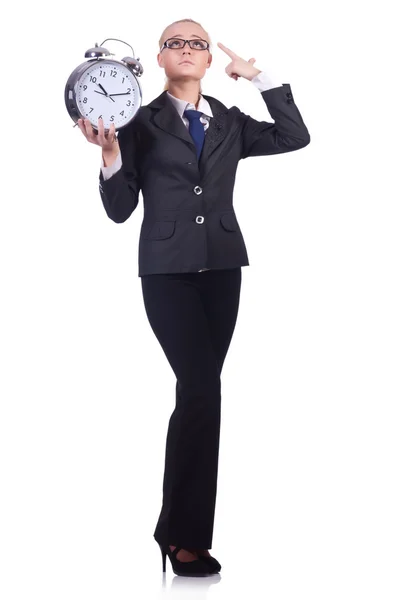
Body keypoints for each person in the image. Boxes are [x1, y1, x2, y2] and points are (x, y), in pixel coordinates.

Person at [77, 18, 310, 577]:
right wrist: (108, 154)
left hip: (223, 270)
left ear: (209, 61)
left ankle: (175, 531)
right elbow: (118, 209)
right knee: (204, 390)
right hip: (167, 274)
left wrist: (261, 78)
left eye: (197, 44)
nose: (187, 49)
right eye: (175, 43)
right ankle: (185, 538)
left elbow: (293, 136)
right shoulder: (137, 120)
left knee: (198, 396)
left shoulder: (229, 120)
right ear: (158, 59)